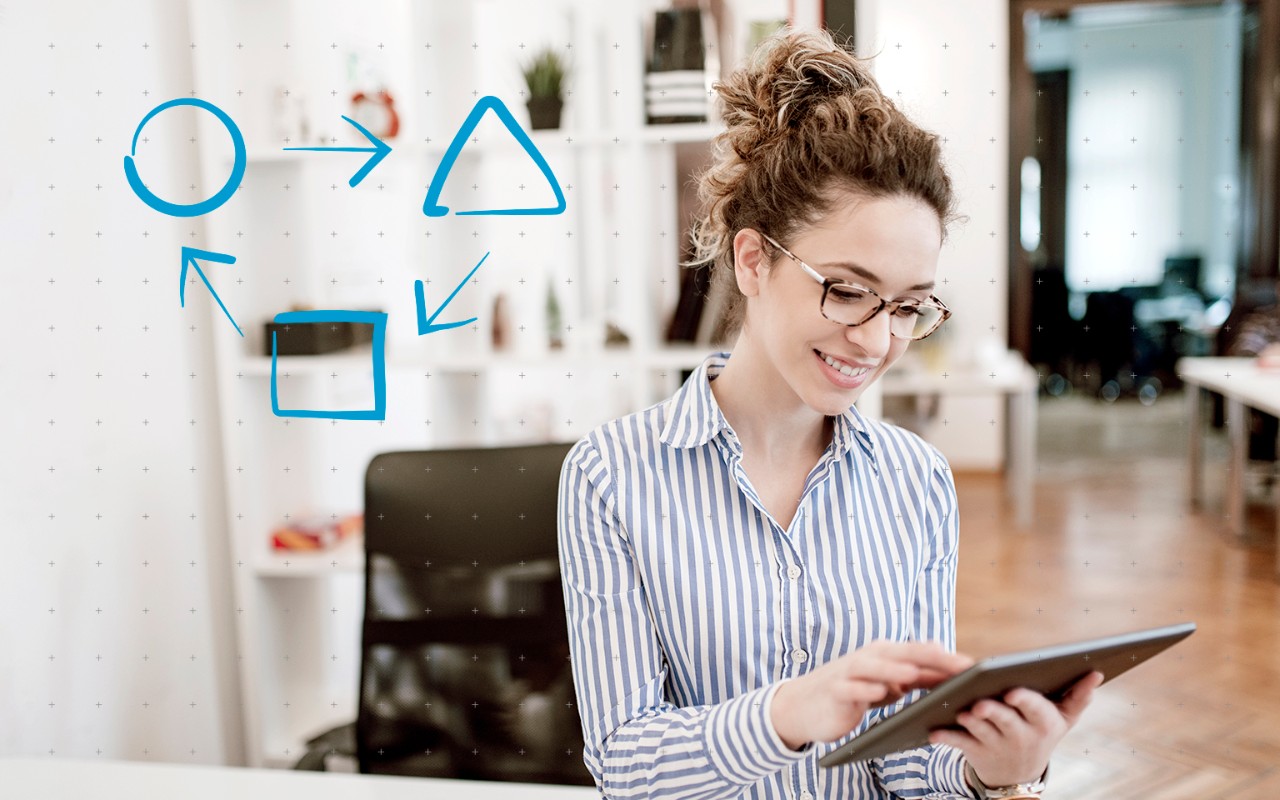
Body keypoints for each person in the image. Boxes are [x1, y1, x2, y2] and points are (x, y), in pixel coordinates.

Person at [556, 30, 1101, 799]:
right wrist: (787, 714)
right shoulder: (611, 475)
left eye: (909, 306)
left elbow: (906, 751)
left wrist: (992, 771)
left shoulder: (916, 481)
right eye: (846, 290)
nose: (877, 340)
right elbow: (625, 762)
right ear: (753, 260)